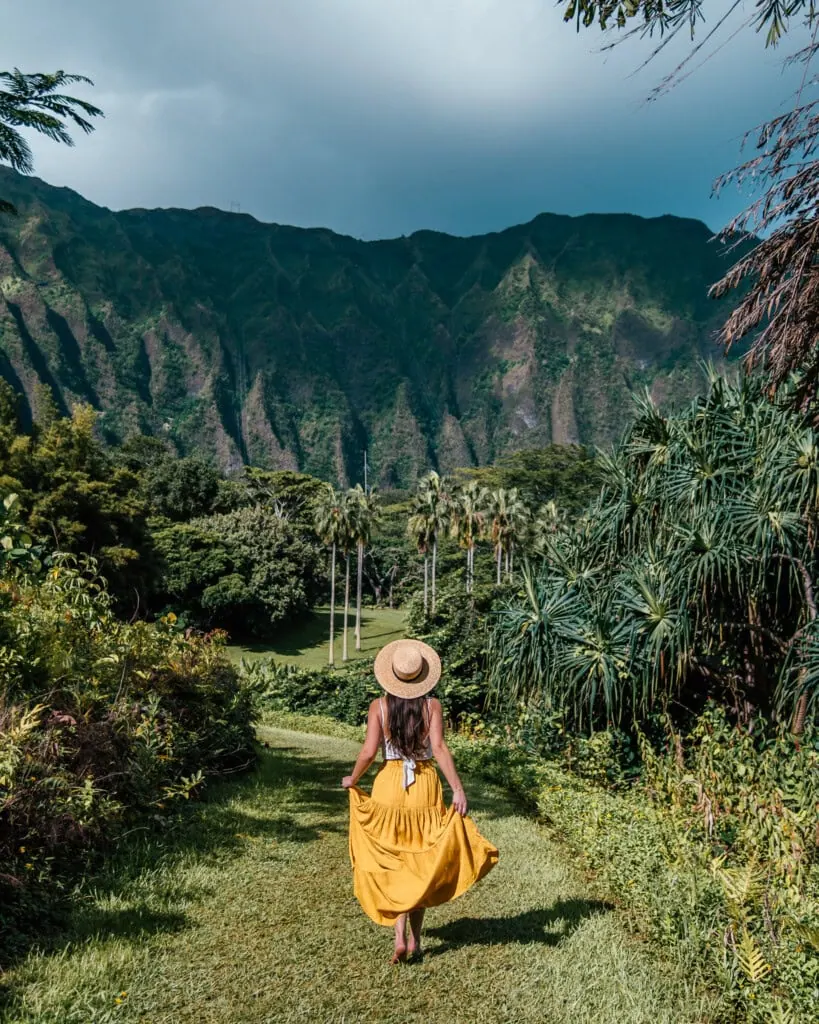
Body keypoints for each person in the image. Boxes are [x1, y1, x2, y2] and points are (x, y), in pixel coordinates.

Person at [342, 638, 498, 963]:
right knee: (421, 862)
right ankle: (415, 940)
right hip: (424, 784)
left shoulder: (378, 707)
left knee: (396, 861)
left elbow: (369, 752)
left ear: (391, 675)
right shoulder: (432, 706)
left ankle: (398, 936)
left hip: (389, 785)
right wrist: (458, 789)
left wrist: (353, 779)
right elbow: (438, 748)